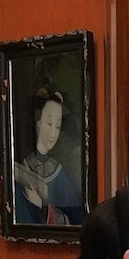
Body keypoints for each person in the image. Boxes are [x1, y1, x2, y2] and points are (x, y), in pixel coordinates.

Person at [14, 88, 85, 225]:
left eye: (57, 126)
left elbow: (79, 221)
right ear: (38, 124)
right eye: (49, 123)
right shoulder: (21, 169)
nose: (53, 133)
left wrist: (43, 206)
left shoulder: (61, 175)